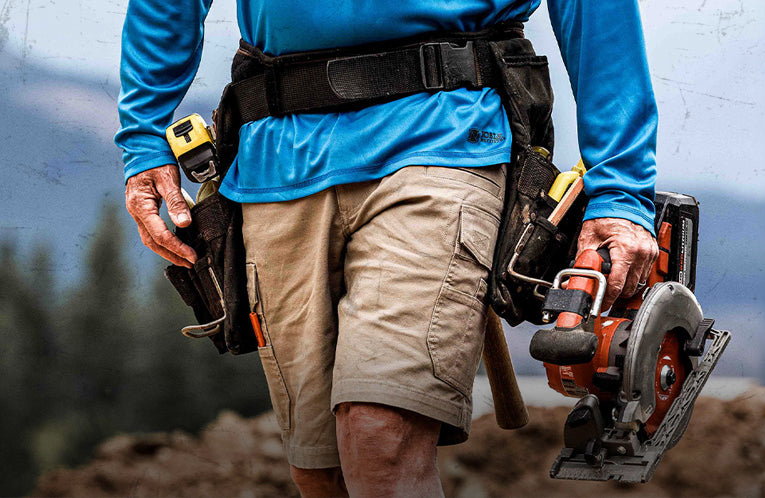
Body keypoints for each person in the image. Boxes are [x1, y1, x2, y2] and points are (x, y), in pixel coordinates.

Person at [117, 0, 659, 495]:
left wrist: (621, 192)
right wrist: (142, 136)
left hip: (444, 136)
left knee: (380, 436)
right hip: (274, 156)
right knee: (320, 469)